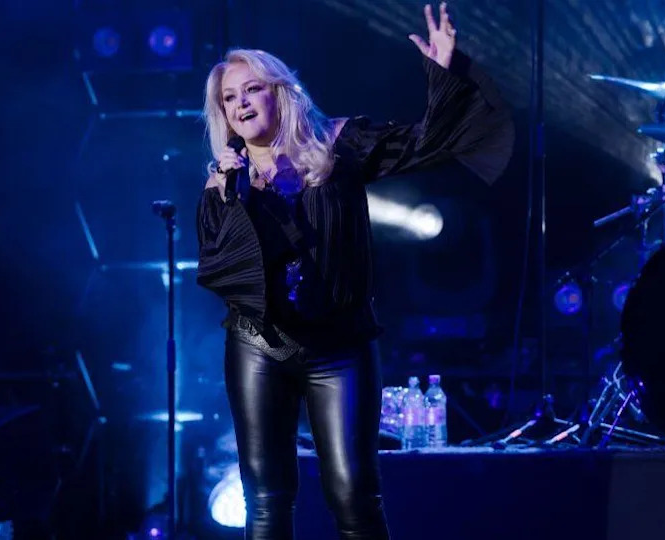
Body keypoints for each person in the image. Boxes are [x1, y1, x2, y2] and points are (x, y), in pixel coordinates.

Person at [195, 3, 513, 538]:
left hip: (339, 346)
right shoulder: (226, 182)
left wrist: (443, 72)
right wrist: (227, 195)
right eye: (229, 99)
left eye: (251, 89)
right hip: (259, 346)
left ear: (280, 90)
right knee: (267, 501)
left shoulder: (337, 143)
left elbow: (426, 143)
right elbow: (217, 266)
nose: (241, 104)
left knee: (354, 496)